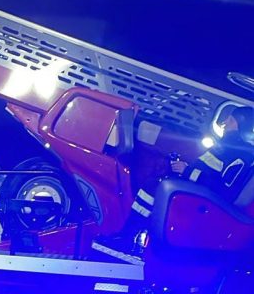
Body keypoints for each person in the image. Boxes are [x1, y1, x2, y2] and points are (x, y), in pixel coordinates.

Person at [107, 104, 254, 251]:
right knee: (156, 182)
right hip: (198, 191)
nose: (224, 123)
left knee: (154, 186)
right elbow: (209, 172)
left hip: (207, 202)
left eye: (230, 120)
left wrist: (188, 172)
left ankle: (127, 237)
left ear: (241, 126)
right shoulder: (227, 148)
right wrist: (186, 169)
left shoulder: (241, 155)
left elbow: (224, 189)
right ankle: (133, 236)